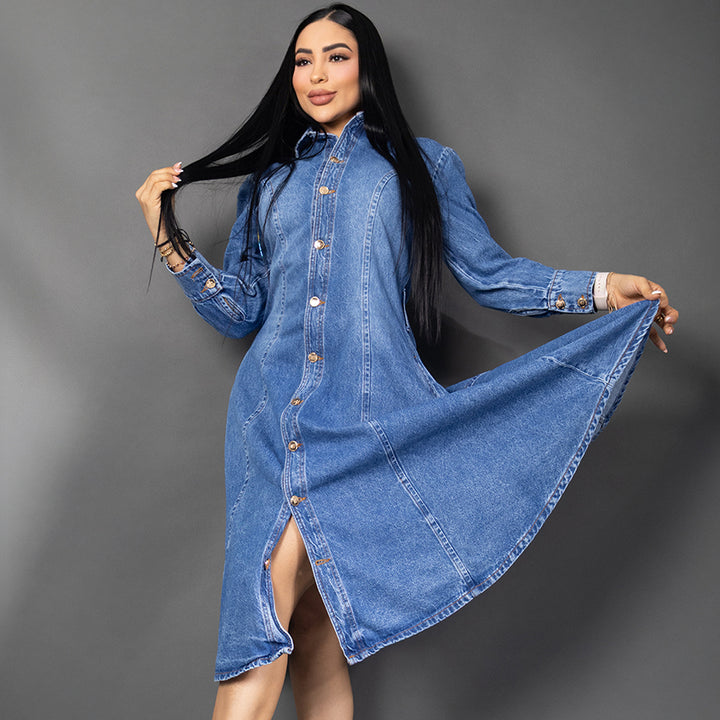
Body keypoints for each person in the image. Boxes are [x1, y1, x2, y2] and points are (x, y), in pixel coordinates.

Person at [136, 5, 677, 719]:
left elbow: (489, 275)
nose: (316, 74)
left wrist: (605, 290)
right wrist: (167, 234)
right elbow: (240, 310)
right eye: (303, 60)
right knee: (275, 623)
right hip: (268, 420)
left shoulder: (422, 166)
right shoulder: (267, 182)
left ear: (367, 67)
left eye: (336, 56)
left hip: (365, 420)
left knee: (314, 628)